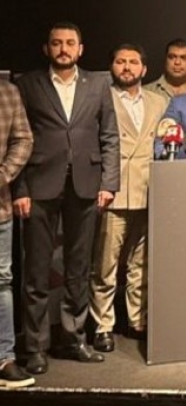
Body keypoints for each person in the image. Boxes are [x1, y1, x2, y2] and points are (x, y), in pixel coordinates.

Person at [13, 22, 120, 373]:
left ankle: (74, 339)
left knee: (78, 269)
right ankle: (36, 347)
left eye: (70, 43)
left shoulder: (98, 84)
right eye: (56, 43)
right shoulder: (28, 84)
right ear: (47, 48)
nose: (63, 49)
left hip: (86, 186)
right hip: (39, 187)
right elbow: (17, 137)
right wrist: (20, 189)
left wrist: (109, 183)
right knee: (36, 273)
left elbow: (110, 135)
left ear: (80, 49)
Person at [90, 44, 168, 353]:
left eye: (133, 62)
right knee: (105, 265)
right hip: (115, 190)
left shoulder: (159, 101)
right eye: (120, 61)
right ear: (112, 67)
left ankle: (139, 319)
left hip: (150, 190)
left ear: (144, 69)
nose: (126, 67)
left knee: (142, 261)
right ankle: (102, 325)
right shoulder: (101, 98)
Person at [0, 78, 34, 388]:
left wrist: (3, 175)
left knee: (2, 282)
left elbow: (23, 139)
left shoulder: (7, 92)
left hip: (0, 207)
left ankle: (4, 358)